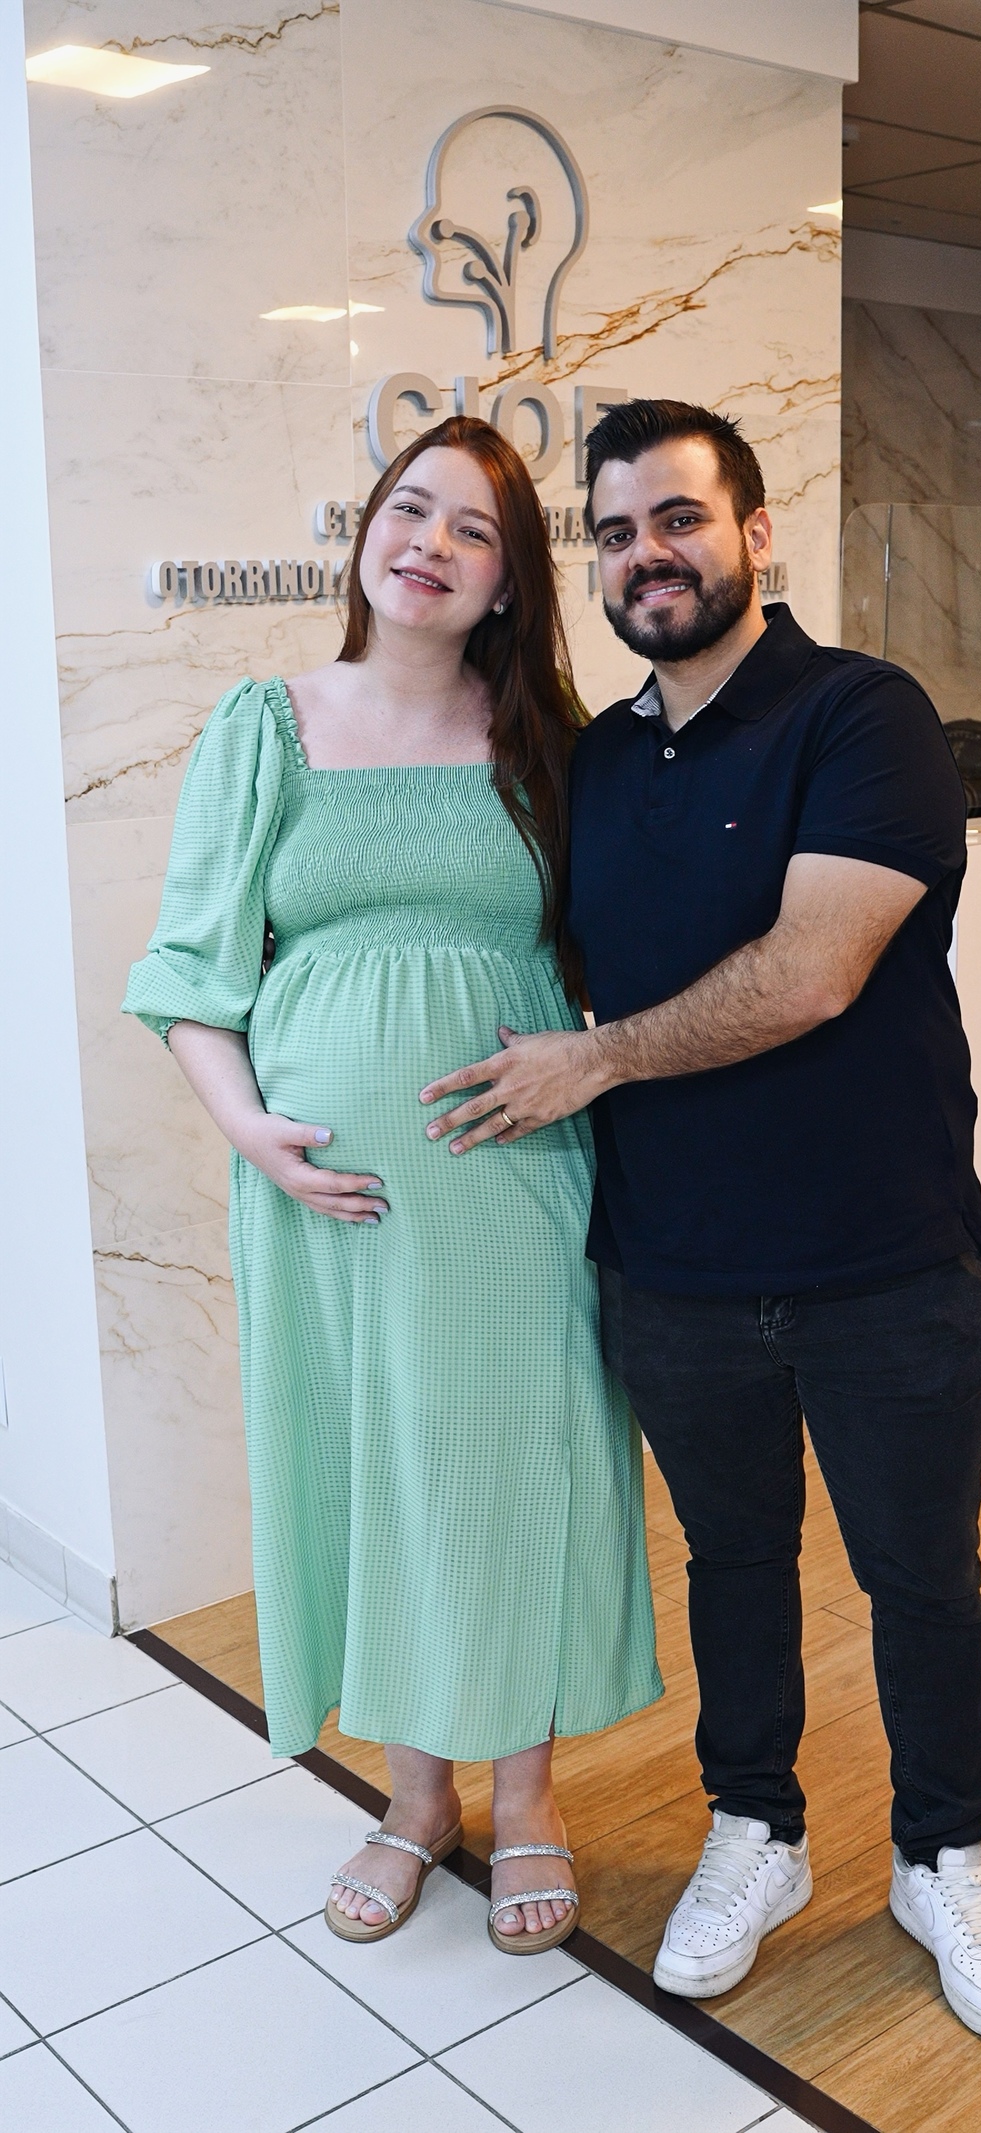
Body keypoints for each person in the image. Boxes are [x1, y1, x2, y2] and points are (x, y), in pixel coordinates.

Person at [417, 400, 981, 2039]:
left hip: (886, 1260)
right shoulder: (599, 762)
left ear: (756, 533)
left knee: (921, 1576)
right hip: (676, 1271)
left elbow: (813, 970)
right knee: (736, 1566)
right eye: (617, 532)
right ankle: (756, 1827)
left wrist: (595, 1058)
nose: (649, 556)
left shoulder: (862, 713)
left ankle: (943, 1851)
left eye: (680, 519)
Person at [124, 415, 662, 1957]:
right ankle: (415, 1796)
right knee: (377, 1461)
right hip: (329, 1197)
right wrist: (250, 1131)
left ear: (507, 581)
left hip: (514, 1177)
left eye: (473, 529)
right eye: (410, 509)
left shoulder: (554, 743)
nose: (429, 543)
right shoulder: (265, 725)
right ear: (368, 530)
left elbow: (623, 950)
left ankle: (528, 1791)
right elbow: (189, 971)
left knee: (515, 1458)